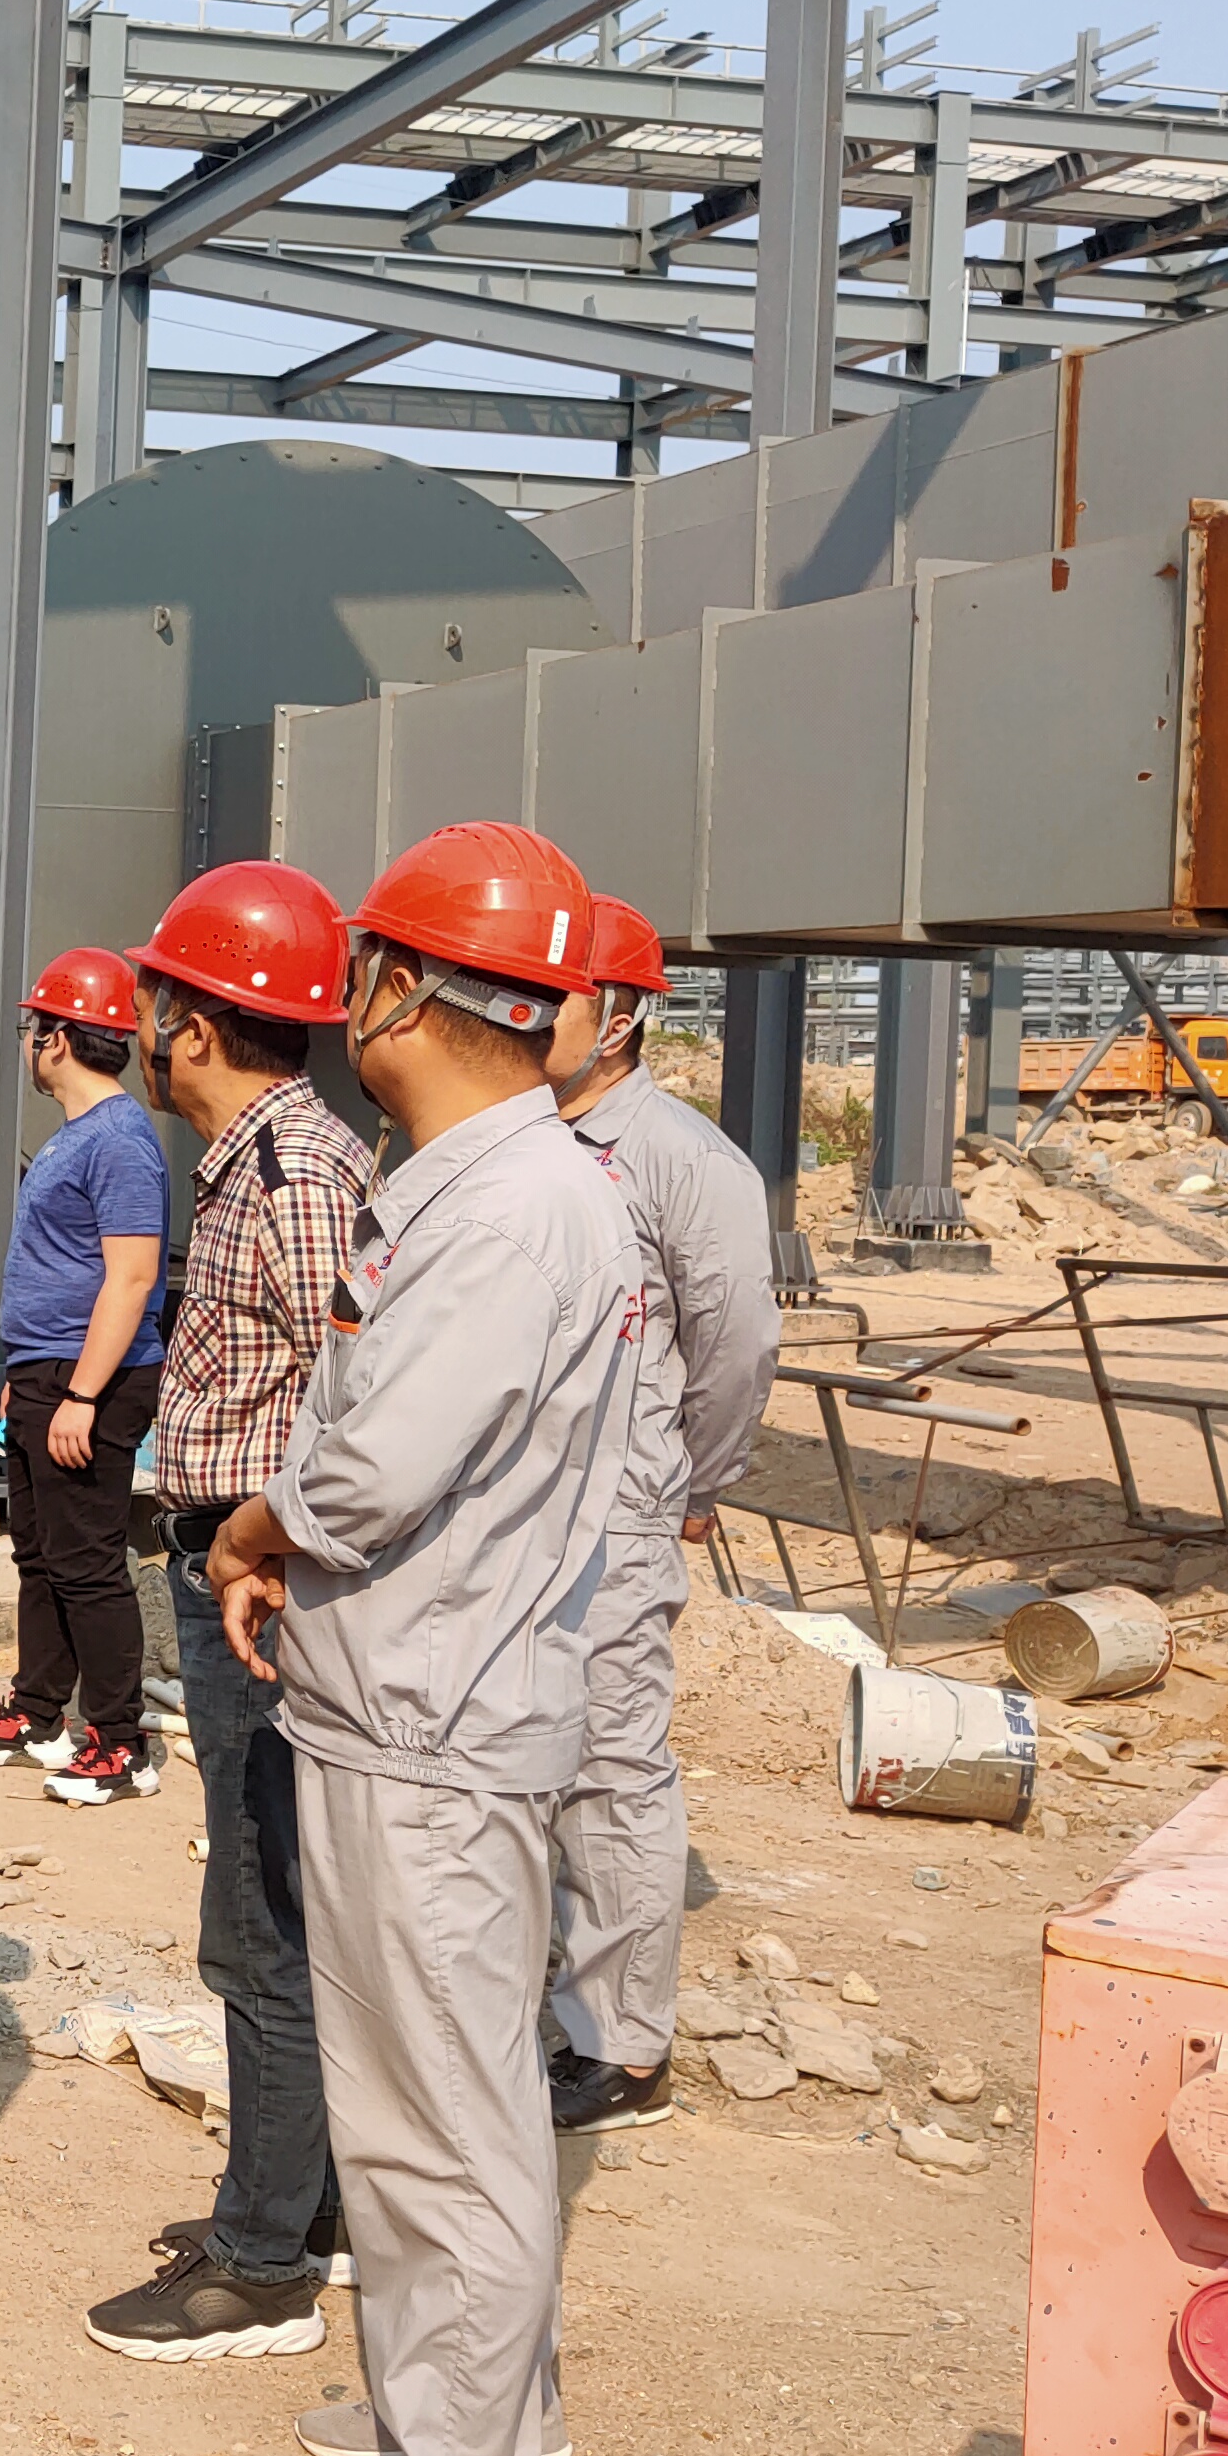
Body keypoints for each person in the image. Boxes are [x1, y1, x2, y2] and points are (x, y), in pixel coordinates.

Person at [201, 822, 636, 2456]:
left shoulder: (512, 1209)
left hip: (435, 1725)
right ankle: (478, 2422)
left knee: (435, 2131)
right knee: (454, 2113)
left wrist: (253, 1529)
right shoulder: (484, 1184)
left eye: (362, 968)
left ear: (398, 988)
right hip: (421, 1701)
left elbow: (374, 1465)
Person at [77, 862, 373, 2367]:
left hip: (269, 1588)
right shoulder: (253, 1161)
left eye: (154, 1004)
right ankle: (296, 2206)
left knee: (260, 1927)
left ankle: (263, 2268)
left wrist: (261, 1546)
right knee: (266, 1913)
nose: (141, 1029)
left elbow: (362, 1406)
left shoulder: (298, 1176)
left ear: (190, 1026)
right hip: (241, 1569)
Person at [536, 893, 776, 2137]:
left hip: (618, 1513)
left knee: (609, 1770)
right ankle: (551, 2000)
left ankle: (622, 2049)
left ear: (621, 1016)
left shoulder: (684, 1162)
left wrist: (692, 1485)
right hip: (522, 1512)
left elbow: (734, 1346)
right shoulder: (518, 1145)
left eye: (551, 997)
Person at [0, 948, 171, 1805]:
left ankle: (122, 1742)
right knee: (40, 1555)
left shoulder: (118, 1142)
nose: (29, 1044)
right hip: (50, 1375)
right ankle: (40, 1714)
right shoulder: (82, 1137)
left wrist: (81, 1395)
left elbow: (132, 1278)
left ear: (59, 1040)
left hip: (90, 1383)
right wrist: (28, 1374)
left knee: (88, 1564)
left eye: (34, 1029)